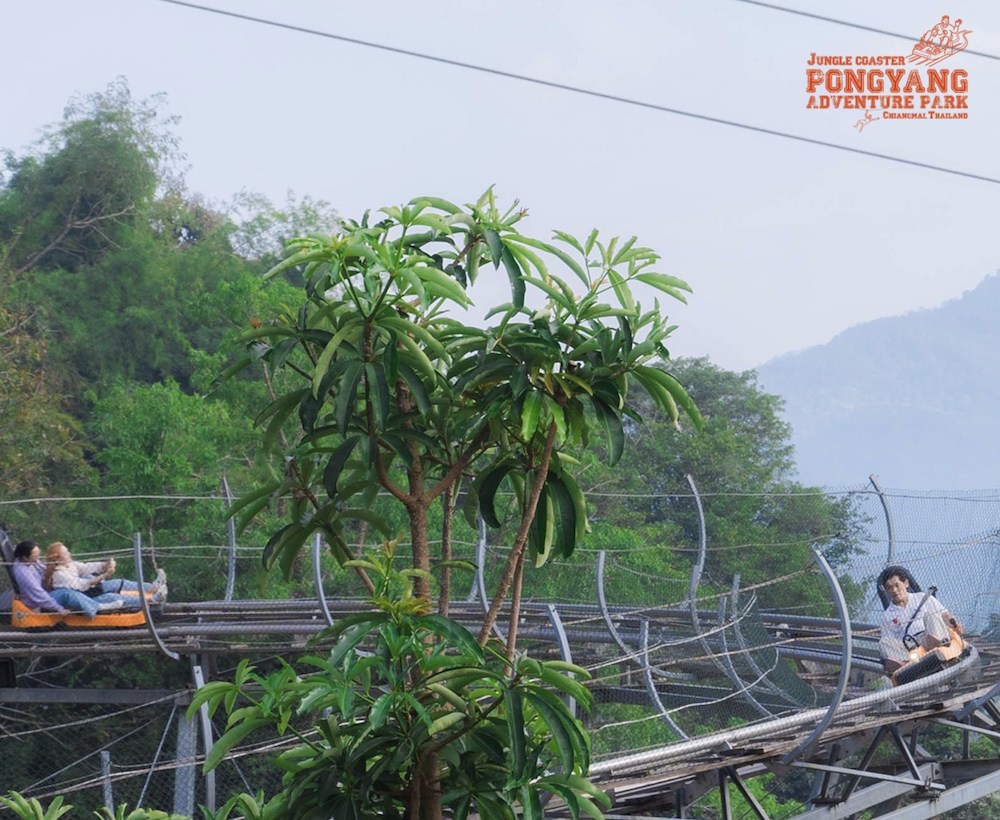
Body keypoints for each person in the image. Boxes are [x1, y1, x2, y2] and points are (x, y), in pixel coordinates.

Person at [878, 565, 963, 677]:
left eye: (897, 585)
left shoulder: (923, 598)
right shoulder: (887, 615)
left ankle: (939, 646)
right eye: (889, 588)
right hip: (910, 645)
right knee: (883, 642)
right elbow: (891, 640)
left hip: (929, 635)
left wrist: (953, 622)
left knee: (930, 616)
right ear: (887, 591)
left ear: (906, 584)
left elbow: (944, 615)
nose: (894, 590)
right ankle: (903, 664)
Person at [11, 540, 127, 618]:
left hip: (48, 591)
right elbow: (39, 596)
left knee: (81, 578)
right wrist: (59, 609)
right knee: (67, 593)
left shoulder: (28, 560)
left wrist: (103, 565)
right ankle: (99, 608)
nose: (38, 559)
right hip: (40, 605)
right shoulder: (23, 574)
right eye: (35, 557)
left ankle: (99, 593)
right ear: (25, 557)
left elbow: (82, 567)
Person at [43, 542, 167, 605]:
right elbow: (81, 584)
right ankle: (151, 600)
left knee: (117, 583)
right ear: (57, 558)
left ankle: (153, 587)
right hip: (82, 599)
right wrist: (104, 576)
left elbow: (85, 568)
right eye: (66, 553)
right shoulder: (58, 574)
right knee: (113, 598)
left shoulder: (68, 564)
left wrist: (105, 565)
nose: (69, 554)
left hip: (87, 593)